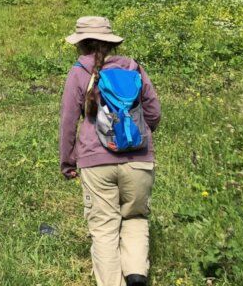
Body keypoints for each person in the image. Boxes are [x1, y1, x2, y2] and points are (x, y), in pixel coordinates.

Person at [60, 16, 161, 286]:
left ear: (80, 44)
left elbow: (69, 122)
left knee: (104, 228)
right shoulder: (133, 67)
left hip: (96, 162)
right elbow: (153, 113)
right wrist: (139, 137)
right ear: (111, 42)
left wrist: (67, 162)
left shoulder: (79, 71)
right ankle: (136, 275)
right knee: (136, 217)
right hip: (139, 159)